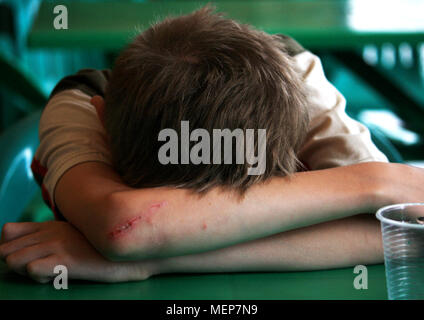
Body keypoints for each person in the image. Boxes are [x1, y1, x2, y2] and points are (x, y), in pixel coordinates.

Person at [1, 7, 423, 283]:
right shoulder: (81, 102)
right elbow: (123, 227)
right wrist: (371, 181)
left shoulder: (296, 82)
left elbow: (397, 234)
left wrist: (155, 259)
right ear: (102, 115)